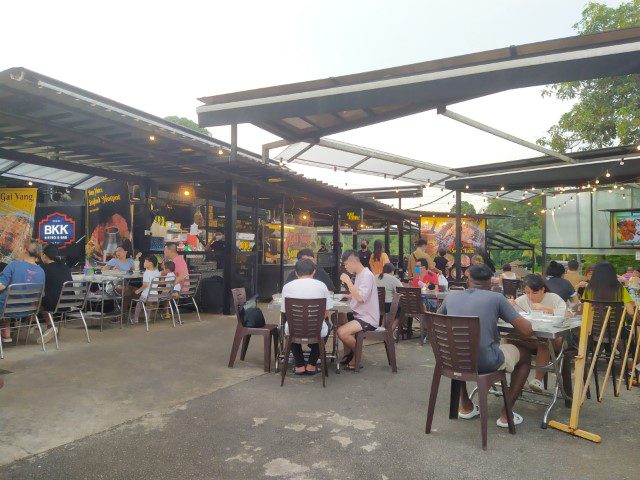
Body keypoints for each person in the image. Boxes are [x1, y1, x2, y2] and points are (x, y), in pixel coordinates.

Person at [437, 265, 533, 427]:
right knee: (525, 355)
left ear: (468, 281)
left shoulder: (450, 297)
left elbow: (436, 322)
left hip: (451, 360)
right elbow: (527, 330)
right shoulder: (496, 298)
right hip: (486, 362)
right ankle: (506, 414)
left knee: (459, 349)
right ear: (490, 283)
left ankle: (466, 406)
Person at [511, 274, 567, 393]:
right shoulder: (521, 301)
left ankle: (538, 380)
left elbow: (568, 314)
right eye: (527, 292)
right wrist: (508, 305)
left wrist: (547, 309)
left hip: (557, 339)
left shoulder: (553, 298)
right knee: (509, 337)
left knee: (544, 340)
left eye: (534, 293)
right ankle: (517, 379)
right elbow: (509, 314)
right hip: (533, 338)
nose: (530, 296)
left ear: (542, 289)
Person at [281, 258, 333, 375]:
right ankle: (311, 365)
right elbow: (326, 312)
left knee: (289, 327)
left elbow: (285, 313)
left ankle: (299, 365)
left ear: (295, 273)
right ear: (314, 271)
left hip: (294, 329)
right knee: (327, 326)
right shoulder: (322, 286)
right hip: (316, 329)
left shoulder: (287, 287)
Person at [337, 250, 379, 371]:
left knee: (342, 332)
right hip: (359, 314)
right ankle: (349, 354)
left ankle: (357, 354)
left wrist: (348, 281)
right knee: (339, 318)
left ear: (353, 261)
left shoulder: (367, 275)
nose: (345, 267)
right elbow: (357, 294)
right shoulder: (360, 274)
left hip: (367, 317)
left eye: (346, 264)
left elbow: (360, 298)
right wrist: (346, 296)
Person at [0, 240, 46, 344]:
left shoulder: (13, 265)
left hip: (6, 309)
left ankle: (5, 332)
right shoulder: (41, 271)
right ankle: (6, 333)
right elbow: (41, 294)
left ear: (25, 250)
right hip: (28, 310)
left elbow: (1, 286)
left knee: (4, 301)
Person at [39, 245, 73, 343]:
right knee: (48, 296)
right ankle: (46, 327)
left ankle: (50, 326)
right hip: (68, 303)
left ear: (45, 255)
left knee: (36, 299)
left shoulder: (43, 268)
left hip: (53, 304)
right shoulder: (66, 267)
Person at [131, 256, 161, 324]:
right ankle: (147, 318)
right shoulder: (157, 271)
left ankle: (135, 319)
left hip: (146, 295)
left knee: (139, 304)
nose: (143, 263)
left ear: (150, 263)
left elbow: (145, 285)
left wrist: (139, 290)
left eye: (145, 261)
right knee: (149, 304)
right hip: (154, 296)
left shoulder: (147, 273)